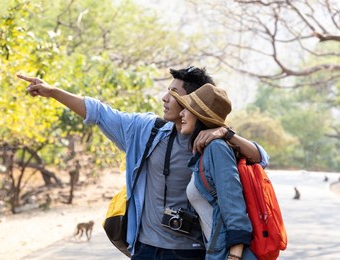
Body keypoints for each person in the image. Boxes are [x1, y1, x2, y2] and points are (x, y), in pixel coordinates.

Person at [17, 66, 269, 259]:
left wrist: (227, 134)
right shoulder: (146, 131)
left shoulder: (212, 143)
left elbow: (260, 158)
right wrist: (53, 92)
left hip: (190, 251)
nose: (164, 98)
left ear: (194, 102)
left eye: (173, 93)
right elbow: (99, 112)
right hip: (145, 249)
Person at [171, 83, 258, 260]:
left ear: (199, 116)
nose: (181, 113)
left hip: (230, 255)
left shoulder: (217, 149)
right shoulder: (204, 151)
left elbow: (233, 204)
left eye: (186, 109)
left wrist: (234, 256)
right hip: (216, 252)